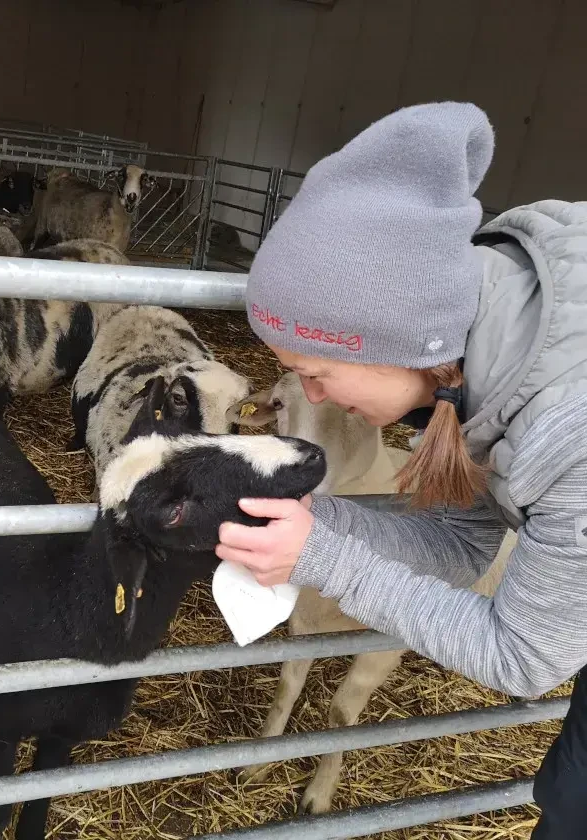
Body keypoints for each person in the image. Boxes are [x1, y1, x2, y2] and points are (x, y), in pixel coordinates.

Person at [215, 101, 587, 838]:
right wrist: (317, 520)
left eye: (317, 372)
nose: (314, 396)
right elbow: (460, 546)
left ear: (401, 343)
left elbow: (526, 658)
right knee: (569, 790)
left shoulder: (565, 429)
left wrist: (322, 556)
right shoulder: (484, 374)